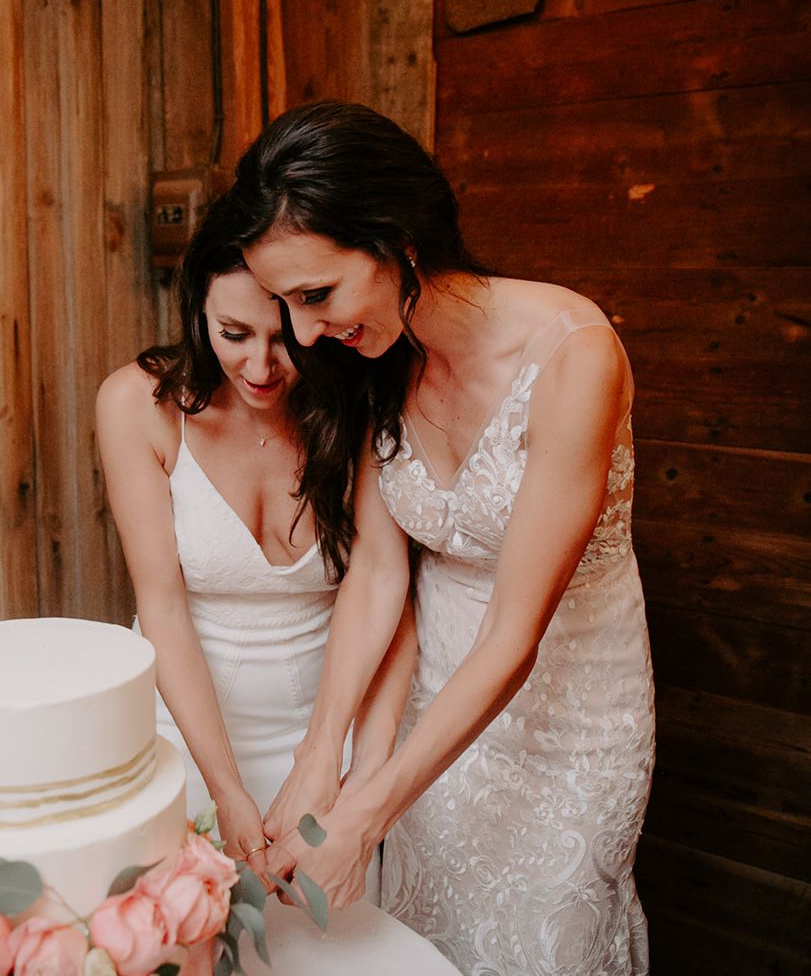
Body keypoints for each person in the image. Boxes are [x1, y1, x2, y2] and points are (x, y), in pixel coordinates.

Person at [223, 100, 656, 975]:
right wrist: (323, 756)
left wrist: (365, 811)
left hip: (568, 707)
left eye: (317, 295)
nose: (303, 334)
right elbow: (379, 576)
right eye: (283, 304)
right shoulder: (375, 362)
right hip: (432, 702)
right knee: (426, 933)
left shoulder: (573, 355)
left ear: (399, 237)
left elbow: (514, 634)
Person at [95, 197, 414, 886]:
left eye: (285, 341)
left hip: (330, 727)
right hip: (186, 728)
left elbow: (383, 579)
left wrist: (330, 758)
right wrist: (227, 789)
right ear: (197, 313)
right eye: (233, 333)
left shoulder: (356, 400)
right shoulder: (135, 406)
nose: (262, 366)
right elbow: (163, 606)